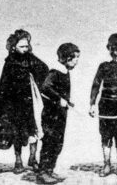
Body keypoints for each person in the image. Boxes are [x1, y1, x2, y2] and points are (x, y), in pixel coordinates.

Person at [0, 29, 50, 174]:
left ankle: (33, 158)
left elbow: (43, 69)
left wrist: (37, 79)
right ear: (14, 47)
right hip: (15, 104)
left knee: (34, 130)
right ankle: (18, 160)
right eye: (22, 47)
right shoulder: (9, 63)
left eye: (27, 46)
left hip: (31, 101)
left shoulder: (30, 58)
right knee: (17, 132)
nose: (25, 49)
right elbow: (3, 85)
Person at [89, 33, 117, 176]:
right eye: (112, 49)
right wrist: (92, 104)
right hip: (105, 106)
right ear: (108, 48)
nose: (115, 52)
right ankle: (106, 165)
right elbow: (96, 85)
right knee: (106, 136)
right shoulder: (104, 66)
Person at [38, 43, 80, 185]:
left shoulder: (64, 71)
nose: (77, 61)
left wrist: (67, 101)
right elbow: (45, 87)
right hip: (51, 114)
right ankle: (43, 172)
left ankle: (50, 170)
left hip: (60, 114)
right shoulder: (55, 72)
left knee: (57, 142)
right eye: (75, 58)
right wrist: (59, 99)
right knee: (50, 141)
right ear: (67, 58)